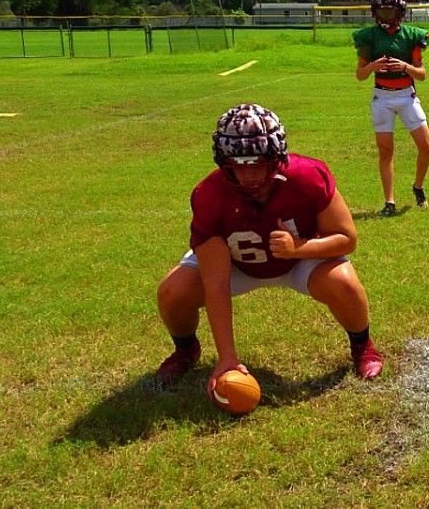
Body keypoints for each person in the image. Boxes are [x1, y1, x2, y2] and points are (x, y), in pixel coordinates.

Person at [155, 103, 383, 397]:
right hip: (238, 264)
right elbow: (215, 283)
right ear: (223, 160)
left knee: (343, 282)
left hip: (298, 260)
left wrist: (299, 248)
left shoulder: (307, 176)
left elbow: (346, 238)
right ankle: (186, 350)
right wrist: (227, 357)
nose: (249, 175)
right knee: (172, 292)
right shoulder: (210, 195)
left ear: (276, 156)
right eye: (239, 164)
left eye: (257, 163)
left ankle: (362, 346)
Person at [354, 0, 429, 217]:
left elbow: (422, 75)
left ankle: (418, 187)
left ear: (400, 12)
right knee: (385, 150)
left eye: (390, 11)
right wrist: (372, 66)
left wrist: (405, 66)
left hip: (407, 96)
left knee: (426, 146)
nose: (385, 16)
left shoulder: (412, 35)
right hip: (382, 97)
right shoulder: (368, 36)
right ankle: (389, 201)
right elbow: (360, 75)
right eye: (382, 11)